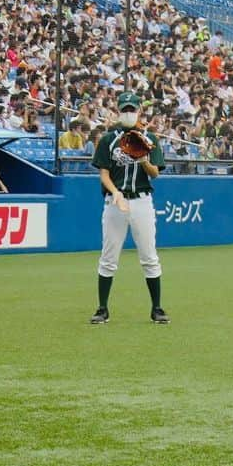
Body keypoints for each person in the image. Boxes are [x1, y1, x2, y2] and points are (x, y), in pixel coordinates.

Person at [89, 91, 169, 324]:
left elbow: (155, 174)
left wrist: (143, 157)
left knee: (149, 256)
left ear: (138, 111)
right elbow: (103, 173)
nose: (128, 113)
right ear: (118, 111)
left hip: (142, 200)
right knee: (108, 257)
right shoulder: (108, 139)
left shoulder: (149, 137)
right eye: (124, 109)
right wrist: (115, 193)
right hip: (115, 201)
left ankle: (157, 308)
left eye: (132, 109)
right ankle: (102, 308)